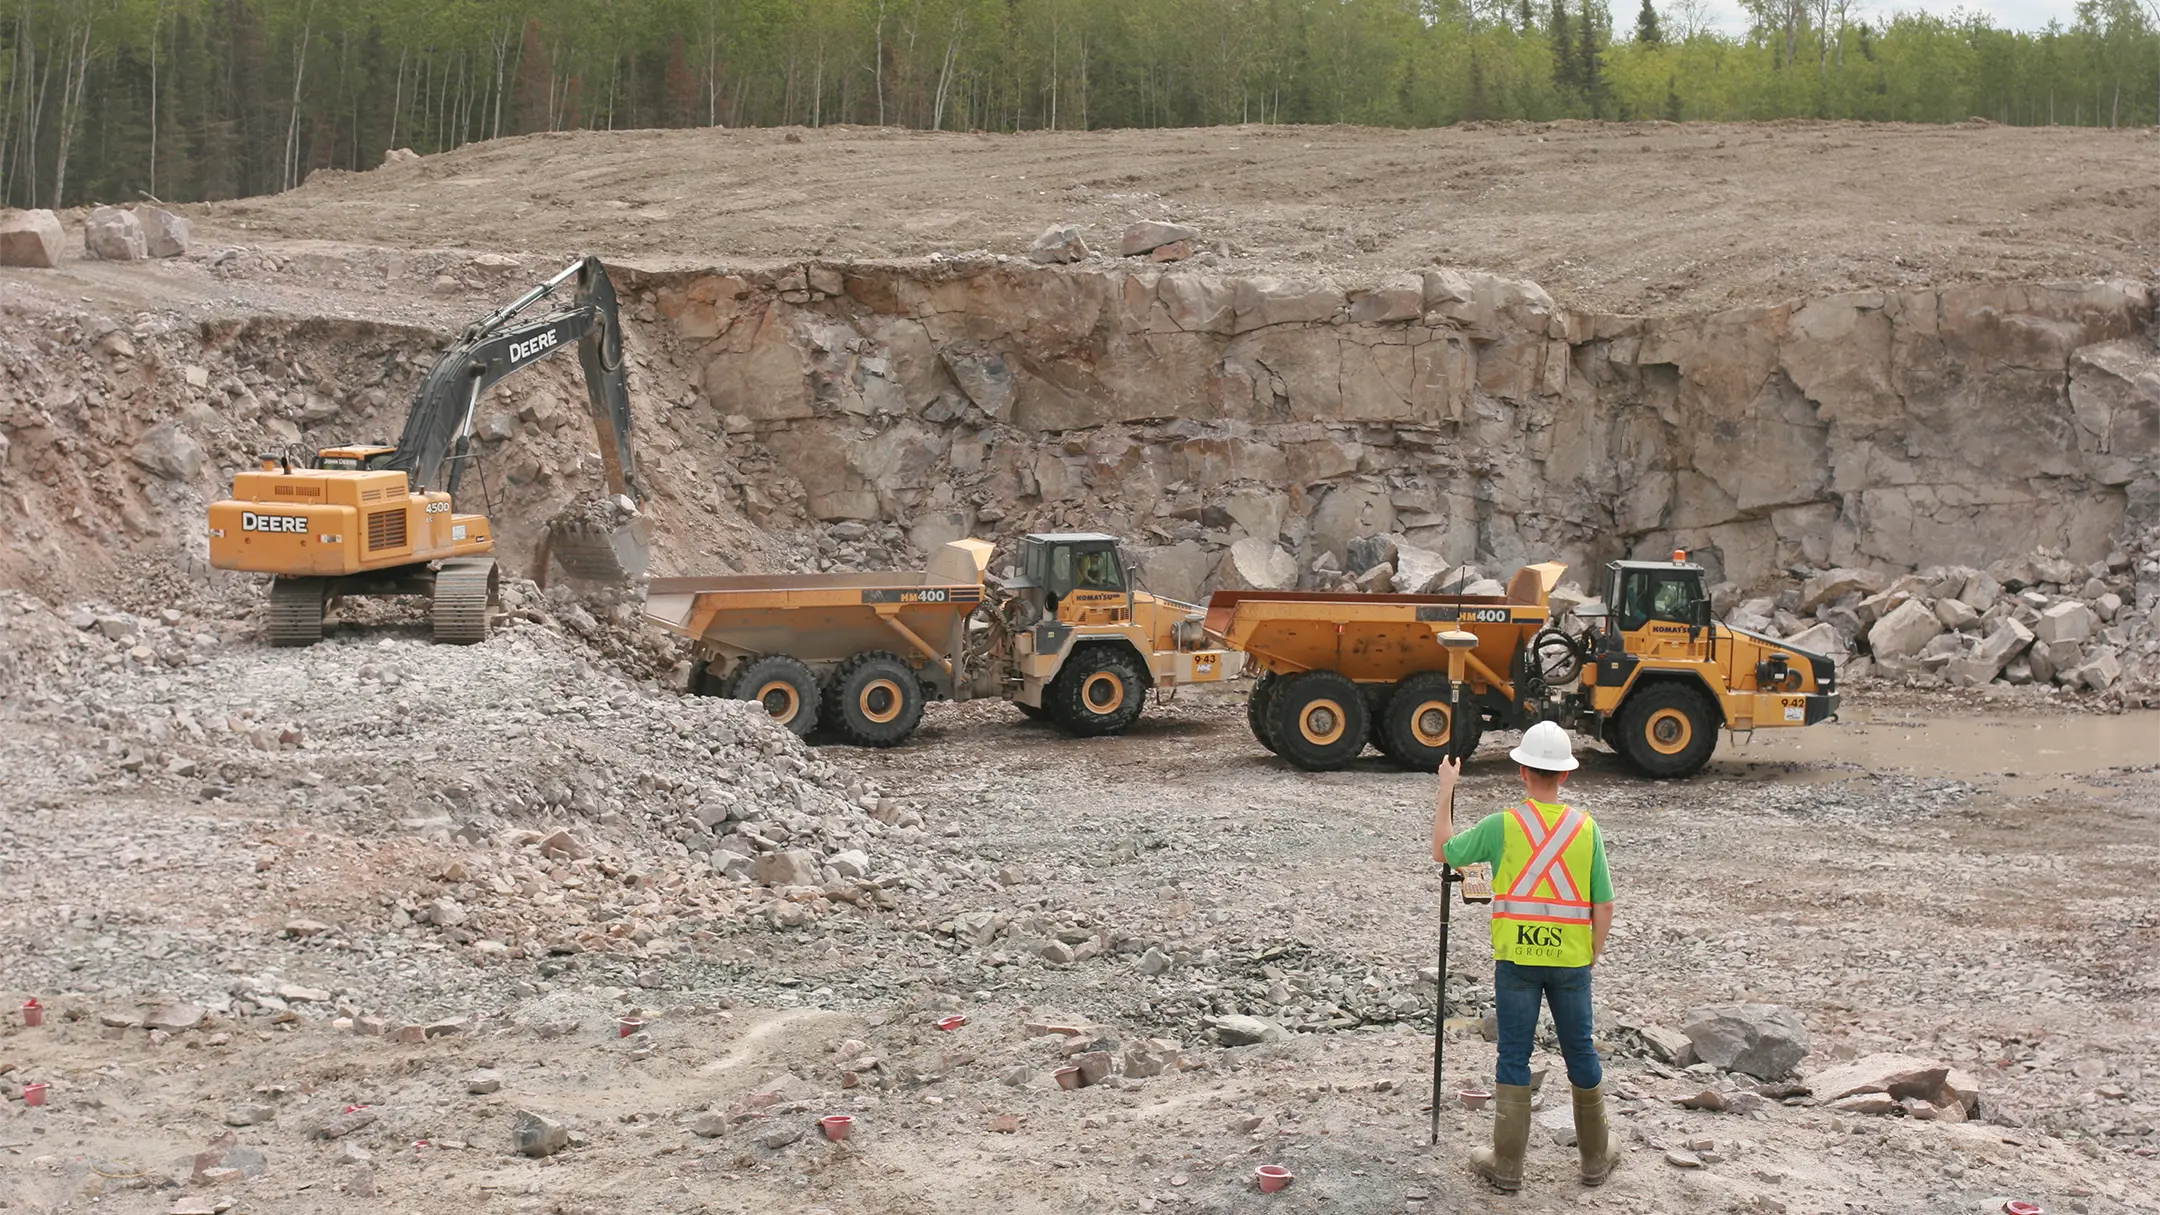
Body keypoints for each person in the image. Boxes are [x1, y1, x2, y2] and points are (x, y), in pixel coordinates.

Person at [1432, 720, 1620, 1192]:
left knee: (1514, 1053)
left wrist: (1447, 789)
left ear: (1521, 771)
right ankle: (1595, 1158)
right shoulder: (1586, 828)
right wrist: (1589, 954)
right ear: (1566, 776)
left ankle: (1508, 1164)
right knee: (1580, 1049)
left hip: (1516, 959)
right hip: (1571, 962)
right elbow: (1604, 902)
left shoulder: (1503, 825)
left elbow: (1443, 851)